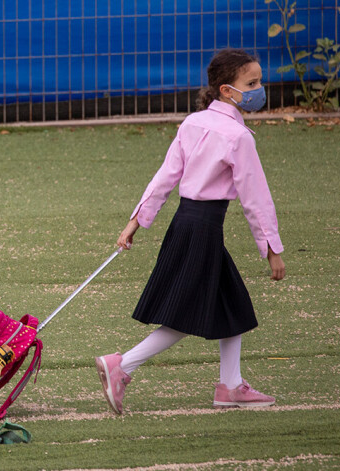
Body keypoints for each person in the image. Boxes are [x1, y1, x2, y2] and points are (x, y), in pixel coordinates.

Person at [95, 49, 286, 414]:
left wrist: (136, 221)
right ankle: (123, 364)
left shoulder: (193, 122)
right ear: (228, 91)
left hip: (186, 224)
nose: (260, 89)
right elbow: (255, 198)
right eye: (252, 83)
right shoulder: (239, 137)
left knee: (234, 307)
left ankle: (230, 386)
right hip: (203, 229)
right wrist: (271, 249)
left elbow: (165, 177)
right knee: (185, 314)